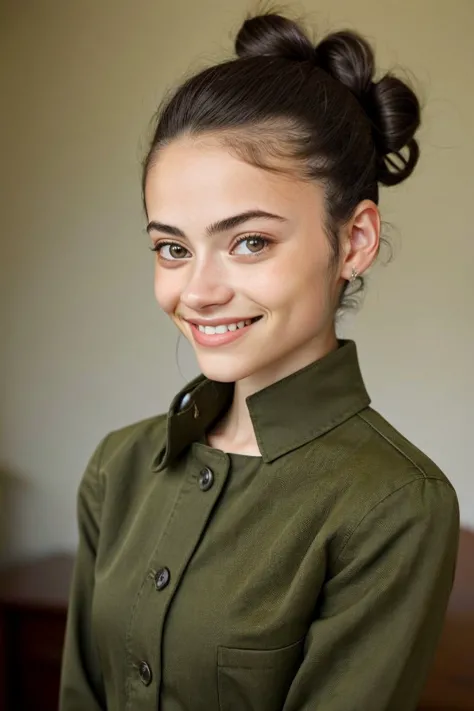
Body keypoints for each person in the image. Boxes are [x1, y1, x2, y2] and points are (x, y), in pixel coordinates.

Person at [59, 11, 460, 711]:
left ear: (356, 238)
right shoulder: (116, 468)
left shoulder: (395, 506)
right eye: (172, 248)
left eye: (249, 242)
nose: (200, 291)